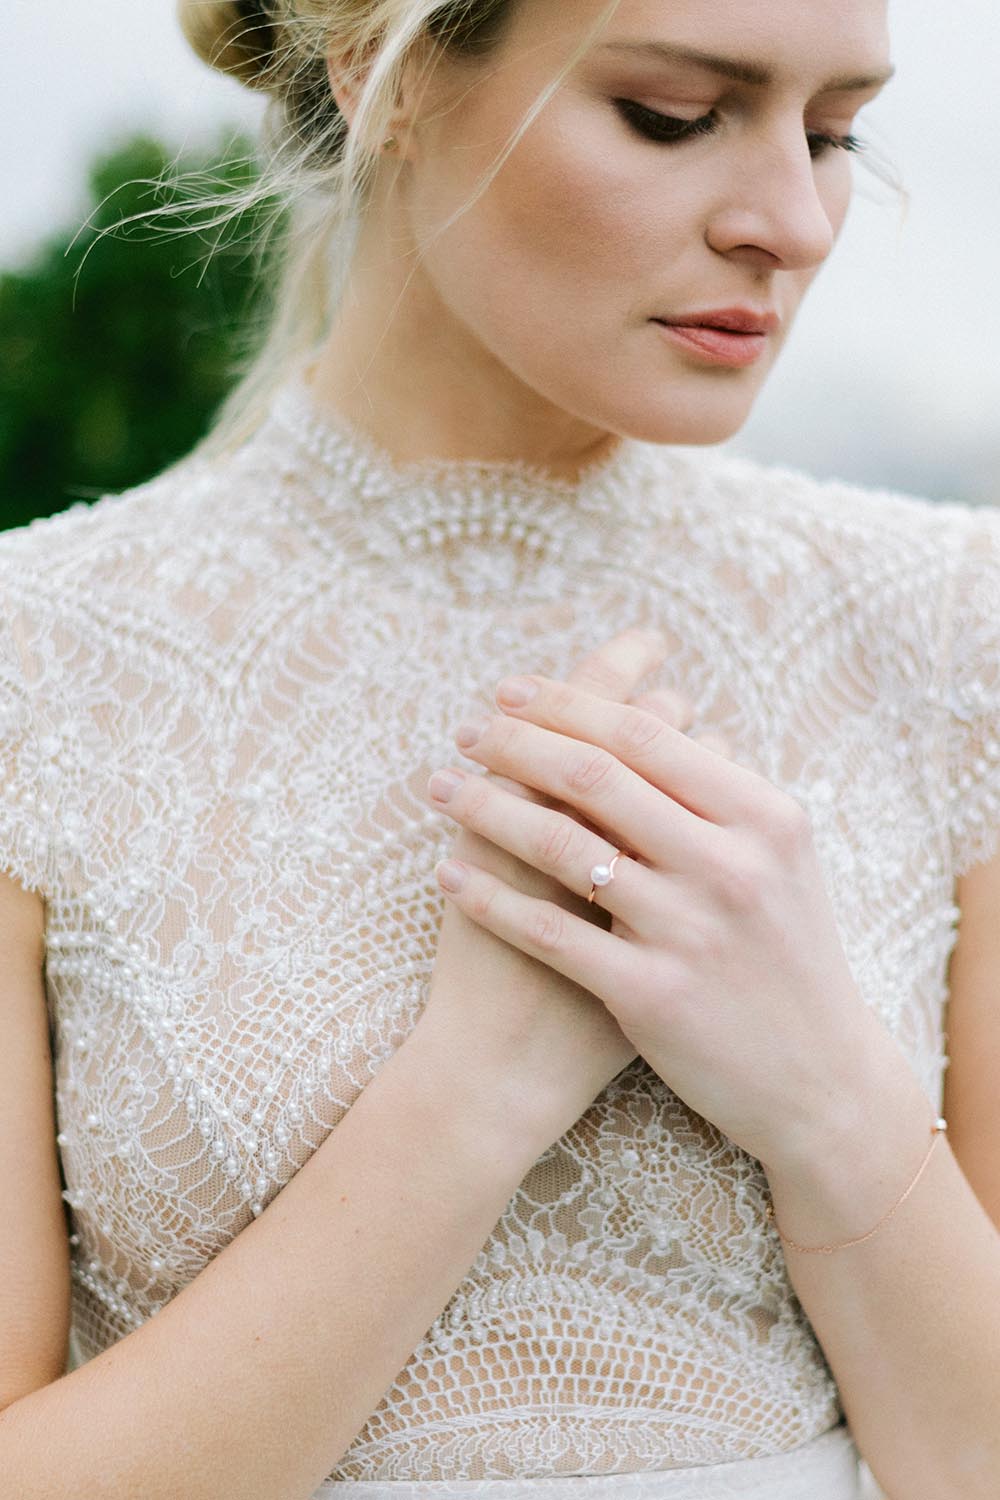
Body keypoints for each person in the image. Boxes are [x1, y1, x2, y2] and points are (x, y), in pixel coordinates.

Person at [1, 0, 998, 1494]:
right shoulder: (39, 660)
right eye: (673, 113)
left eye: (835, 130)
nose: (794, 219)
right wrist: (475, 1093)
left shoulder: (946, 632)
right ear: (379, 73)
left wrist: (831, 1099)